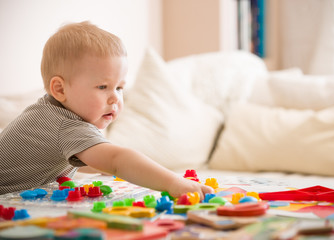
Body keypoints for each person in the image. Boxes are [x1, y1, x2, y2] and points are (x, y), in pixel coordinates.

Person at [0, 21, 214, 198]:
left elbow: (97, 162)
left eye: (120, 87)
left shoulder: (49, 113)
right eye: (103, 87)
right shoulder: (64, 124)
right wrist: (173, 183)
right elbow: (116, 161)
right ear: (59, 89)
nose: (115, 98)